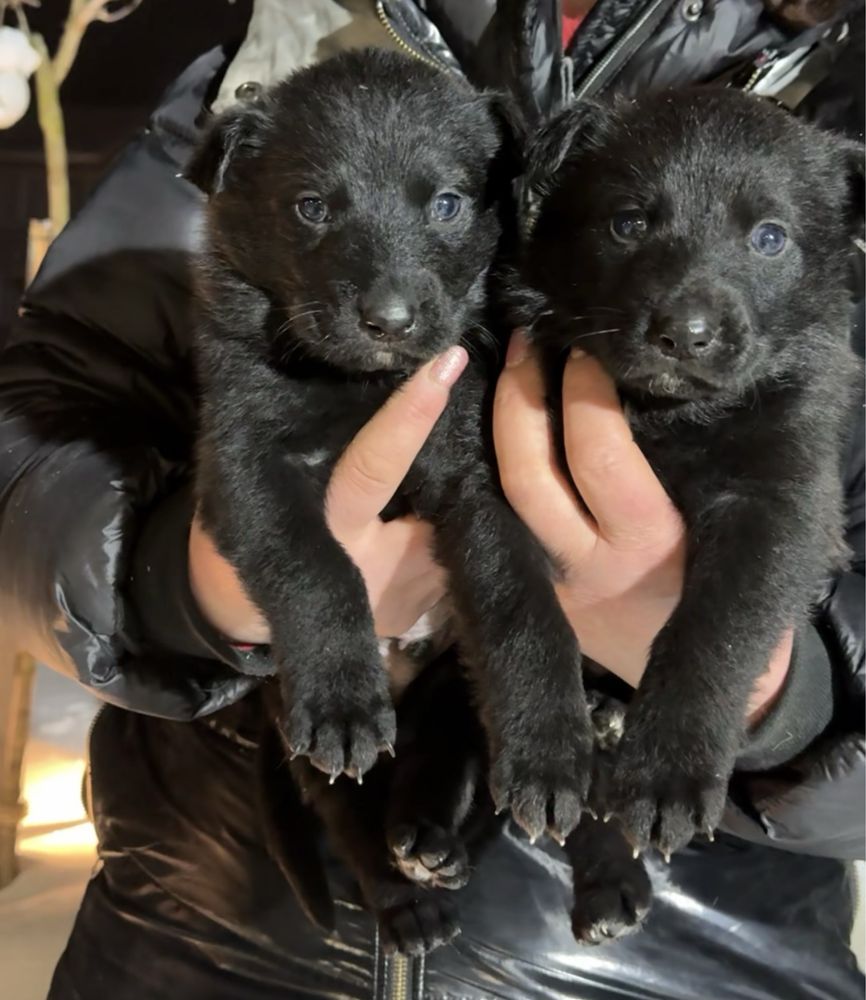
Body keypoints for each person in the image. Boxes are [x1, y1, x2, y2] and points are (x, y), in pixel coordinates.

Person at [0, 1, 862, 997]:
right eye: (629, 224)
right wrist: (180, 586)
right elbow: (33, 428)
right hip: (201, 919)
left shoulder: (838, 104)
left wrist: (769, 694)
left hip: (698, 955)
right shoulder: (276, 55)